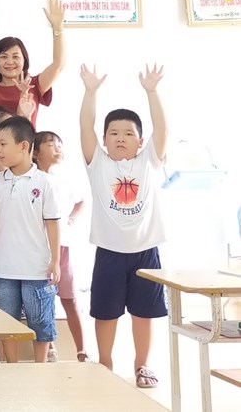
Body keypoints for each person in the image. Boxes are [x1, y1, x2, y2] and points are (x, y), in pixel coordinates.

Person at [79, 64, 168, 389]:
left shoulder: (149, 162)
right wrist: (90, 92)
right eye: (114, 133)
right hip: (109, 252)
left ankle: (142, 365)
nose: (120, 138)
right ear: (104, 140)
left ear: (140, 141)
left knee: (144, 312)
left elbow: (162, 128)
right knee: (106, 312)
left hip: (145, 252)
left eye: (129, 133)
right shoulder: (98, 163)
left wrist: (152, 92)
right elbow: (85, 126)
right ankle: (104, 364)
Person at [0, 116, 61, 364]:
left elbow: (53, 223)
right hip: (4, 267)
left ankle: (40, 368)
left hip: (36, 268)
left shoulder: (44, 182)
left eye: (3, 144)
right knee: (7, 320)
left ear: (24, 146)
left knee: (40, 320)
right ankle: (11, 367)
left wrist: (55, 260)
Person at [33, 130, 90, 363]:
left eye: (59, 144)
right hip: (39, 248)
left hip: (62, 246)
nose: (57, 148)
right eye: (50, 144)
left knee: (69, 298)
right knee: (42, 300)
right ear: (35, 153)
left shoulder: (63, 179)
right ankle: (50, 347)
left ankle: (82, 350)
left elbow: (81, 201)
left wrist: (71, 219)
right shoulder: (33, 179)